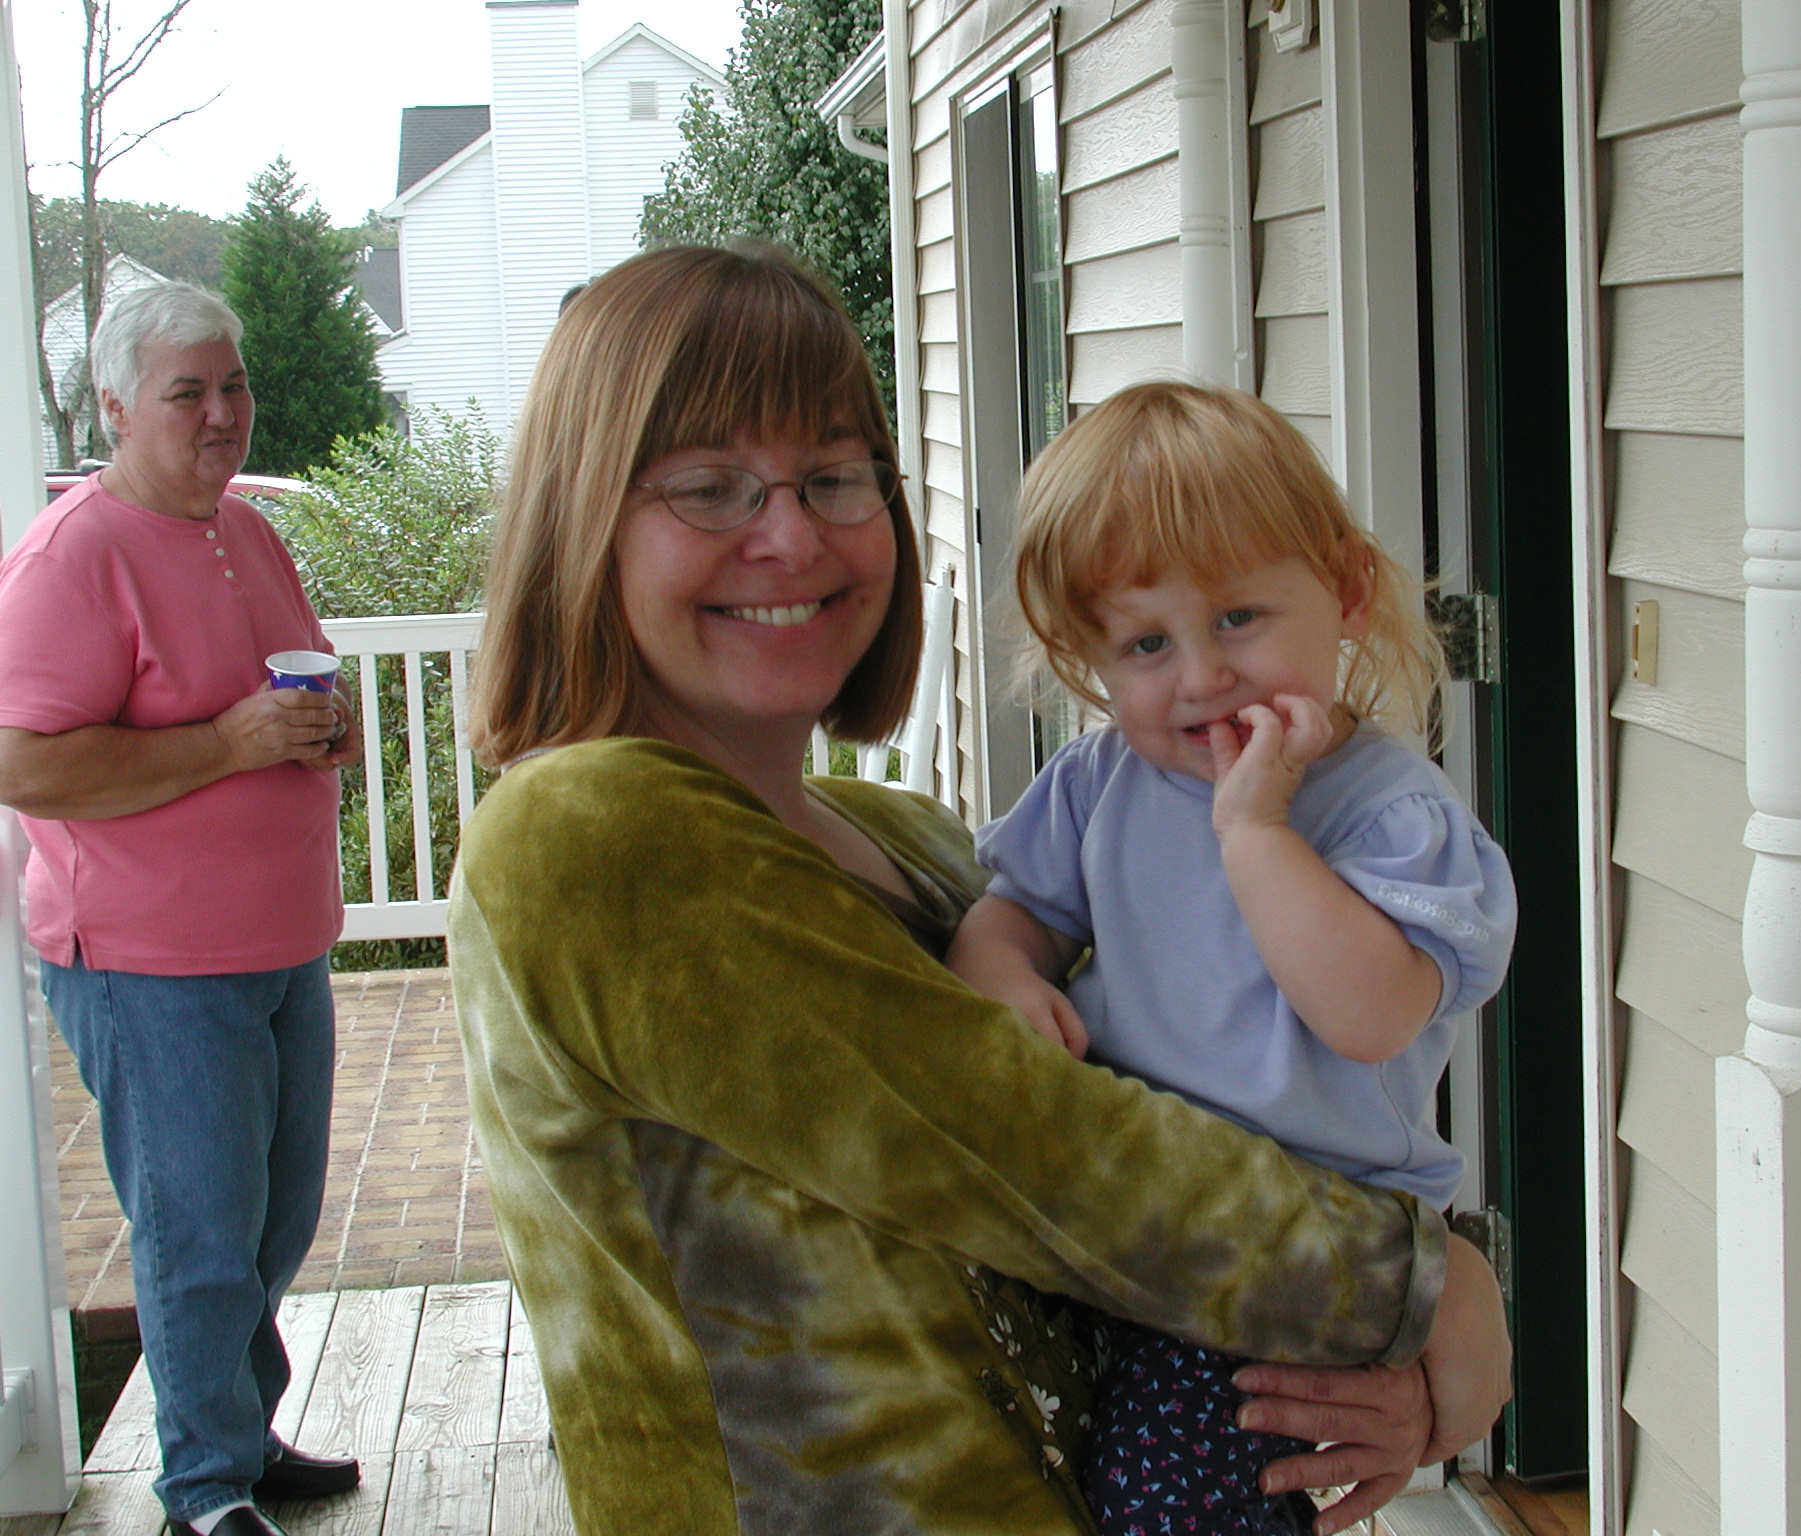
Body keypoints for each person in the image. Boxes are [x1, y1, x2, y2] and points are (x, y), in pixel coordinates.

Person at [450, 242, 1512, 1536]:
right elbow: (1041, 1154)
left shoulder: (908, 841)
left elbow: (1151, 1148)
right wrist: (1427, 1287)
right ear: (583, 520)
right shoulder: (588, 833)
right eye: (708, 487)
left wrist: (1353, 1369)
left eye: (834, 477)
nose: (789, 535)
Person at [944, 382, 1518, 1536]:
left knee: (1182, 1505)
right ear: (1088, 658)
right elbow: (1010, 918)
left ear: (1343, 592)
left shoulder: (1387, 813)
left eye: (1238, 618)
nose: (1202, 676)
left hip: (1289, 1254)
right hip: (1116, 1212)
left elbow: (1370, 1013)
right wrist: (1001, 975)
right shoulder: (1098, 782)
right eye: (1147, 643)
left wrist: (1254, 828)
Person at [0, 284, 364, 1536]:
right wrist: (227, 743)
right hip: (148, 960)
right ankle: (203, 1490)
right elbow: (20, 760)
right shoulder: (73, 556)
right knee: (199, 1232)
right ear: (113, 407)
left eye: (234, 385)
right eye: (188, 393)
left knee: (272, 1223)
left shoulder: (243, 529)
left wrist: (322, 729)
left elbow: (278, 693)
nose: (222, 414)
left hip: (281, 942)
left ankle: (241, 1438)